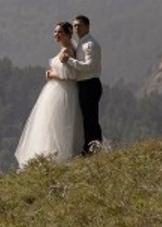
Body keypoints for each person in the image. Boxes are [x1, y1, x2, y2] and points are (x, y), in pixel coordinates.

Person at [15, 22, 84, 167]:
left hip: (63, 91)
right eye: (55, 32)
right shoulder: (66, 48)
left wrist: (51, 74)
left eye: (60, 32)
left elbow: (71, 75)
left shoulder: (67, 50)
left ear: (67, 34)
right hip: (58, 90)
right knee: (52, 123)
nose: (56, 35)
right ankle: (51, 155)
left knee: (59, 122)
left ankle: (59, 156)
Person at [62, 13, 103, 154]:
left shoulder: (90, 44)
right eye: (75, 26)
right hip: (84, 84)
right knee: (87, 117)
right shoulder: (81, 43)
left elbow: (89, 66)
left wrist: (69, 61)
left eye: (79, 26)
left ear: (87, 26)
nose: (76, 28)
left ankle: (94, 147)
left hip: (90, 83)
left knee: (91, 117)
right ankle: (89, 146)